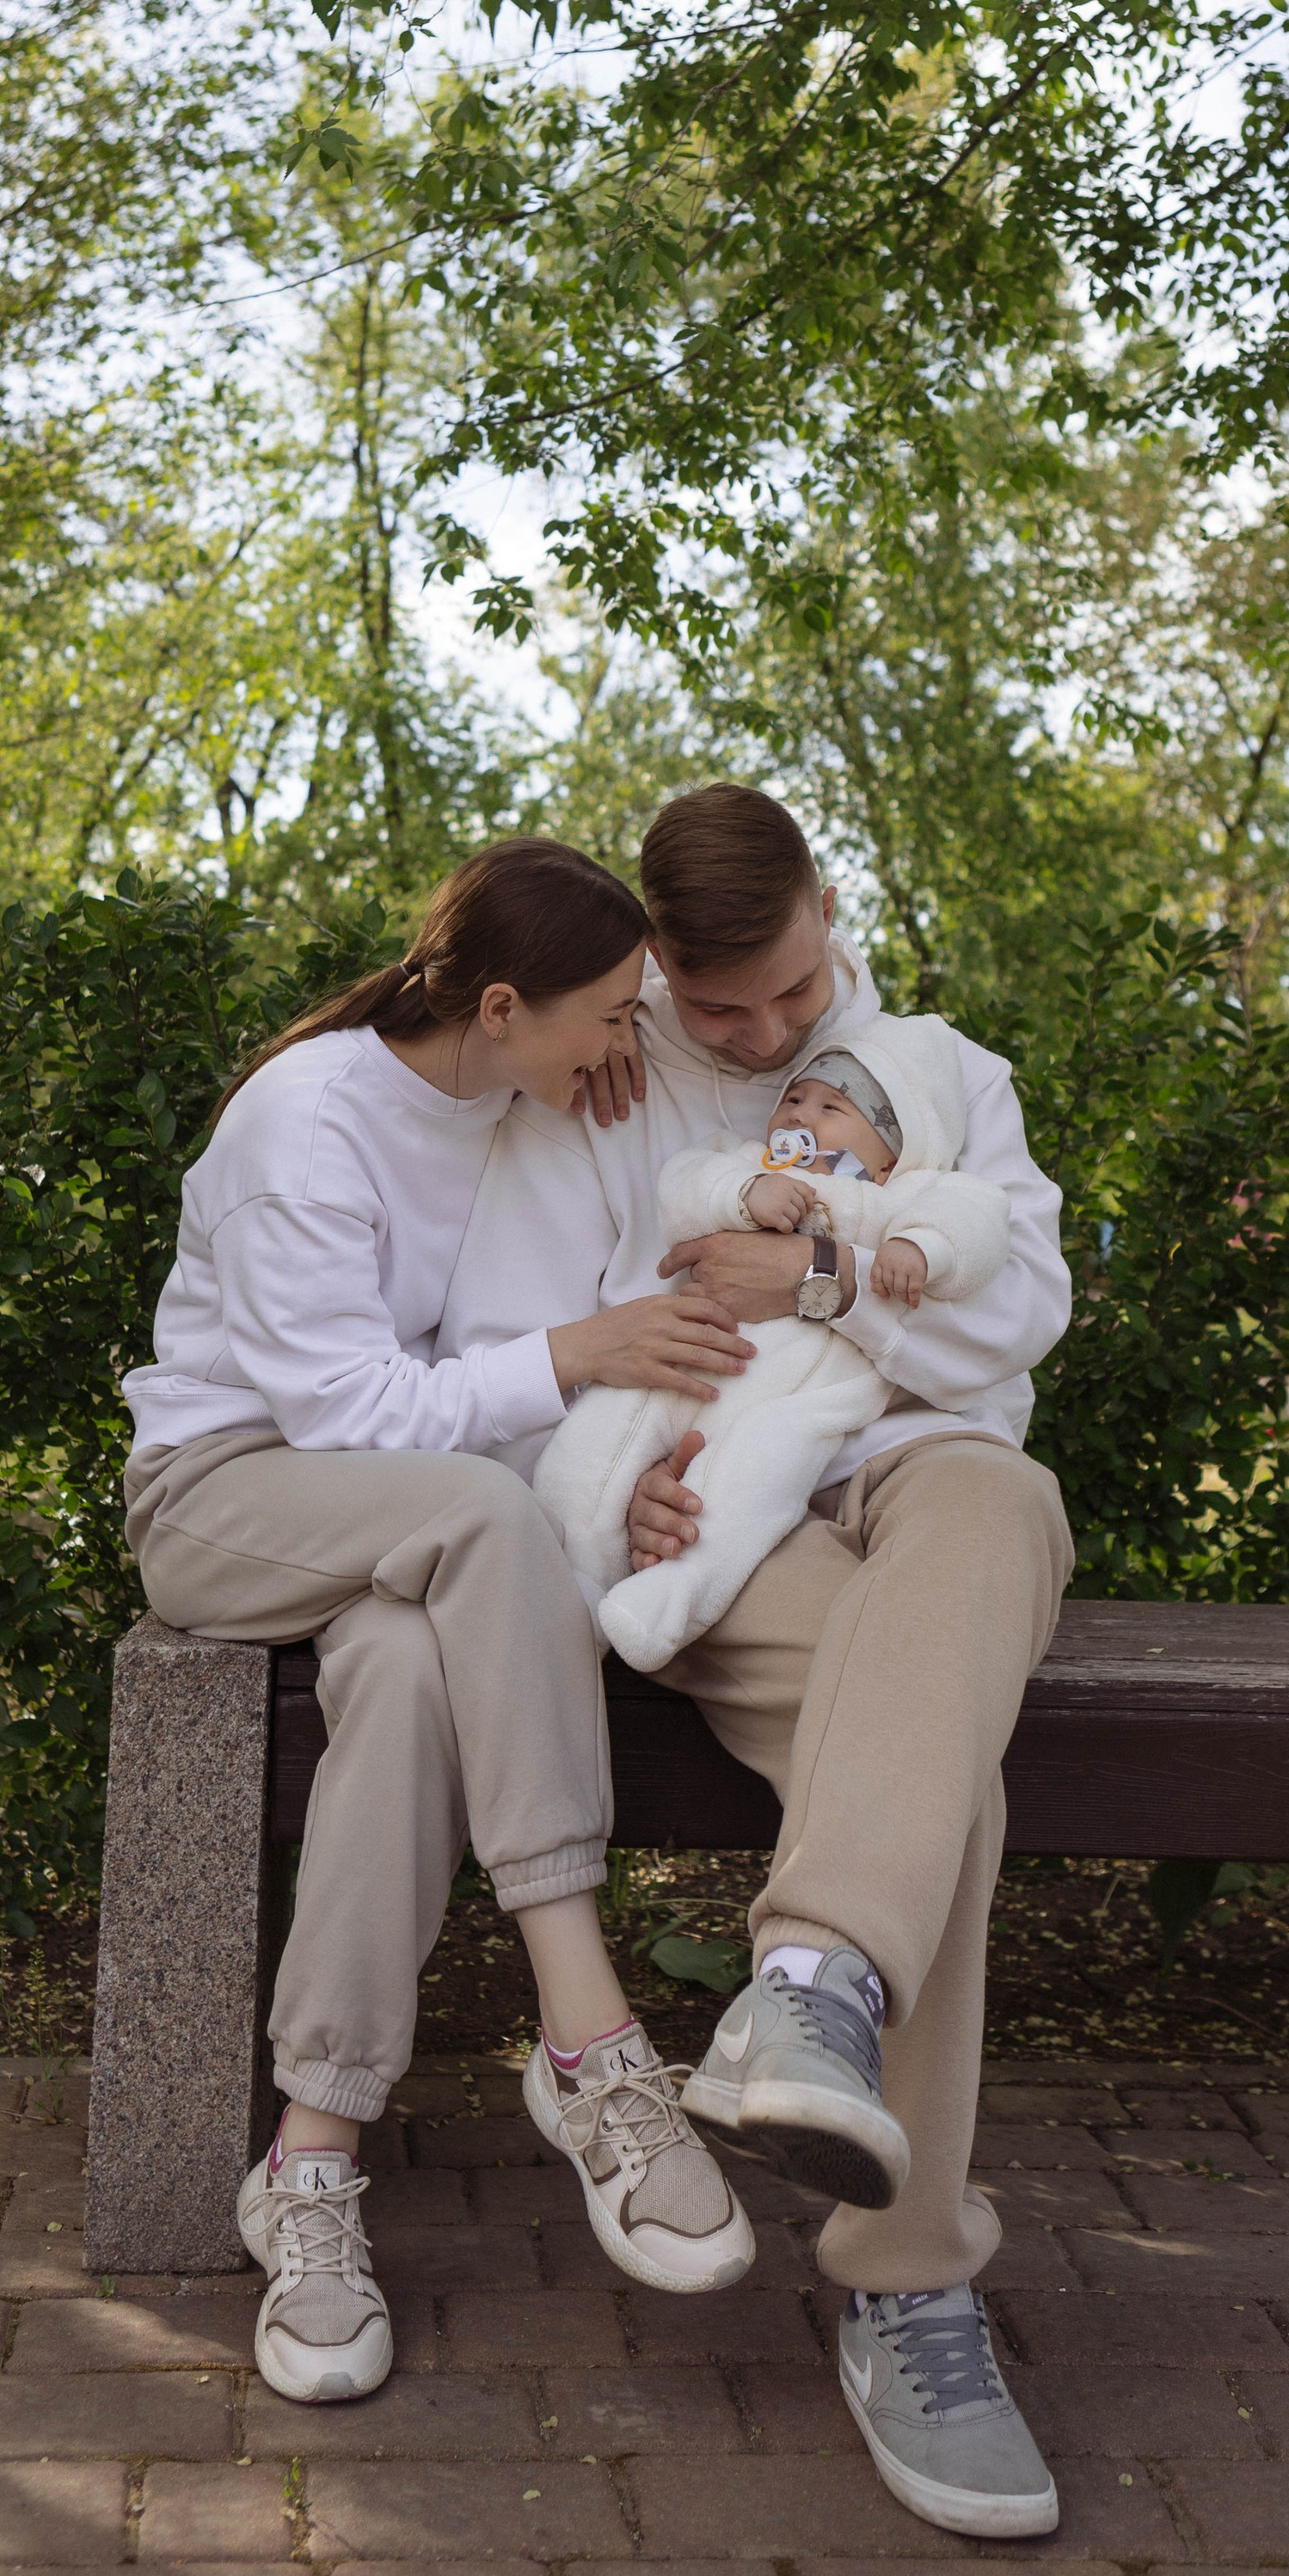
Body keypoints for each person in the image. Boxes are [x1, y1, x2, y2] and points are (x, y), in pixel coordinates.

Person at [442, 785, 1074, 2539]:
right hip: (718, 1517)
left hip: (918, 1468)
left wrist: (816, 1286)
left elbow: (1019, 1311)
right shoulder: (599, 1078)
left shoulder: (940, 1070)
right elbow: (502, 1334)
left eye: (792, 988)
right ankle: (908, 2277)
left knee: (1003, 1502)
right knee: (939, 1782)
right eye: (719, 1009)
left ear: (825, 909)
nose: (763, 1032)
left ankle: (806, 1993)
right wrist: (603, 1474)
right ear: (656, 963)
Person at [118, 837, 757, 2411]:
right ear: (501, 1004)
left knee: (407, 1679)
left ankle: (310, 2159)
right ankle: (589, 2034)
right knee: (481, 1515)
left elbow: (458, 1387)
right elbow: (345, 1415)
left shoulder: (509, 1091)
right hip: (223, 1499)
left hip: (380, 1526)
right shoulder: (306, 1125)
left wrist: (623, 1473)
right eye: (610, 1013)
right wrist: (584, 1352)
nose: (628, 1041)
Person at [534, 1014, 1010, 1672]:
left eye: (832, 1108)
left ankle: (676, 1597)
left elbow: (978, 1217)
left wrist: (920, 1247)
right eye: (795, 1098)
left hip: (797, 1397)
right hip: (689, 1356)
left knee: (752, 1484)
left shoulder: (901, 1195)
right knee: (594, 1439)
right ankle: (571, 1584)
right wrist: (745, 1194)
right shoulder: (746, 1161)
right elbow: (684, 1183)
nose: (802, 1115)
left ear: (889, 1154)